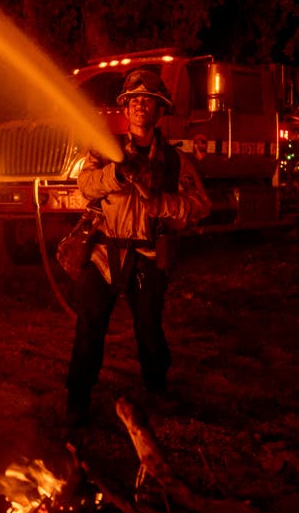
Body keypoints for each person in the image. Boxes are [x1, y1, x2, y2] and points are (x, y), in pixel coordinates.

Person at [66, 68, 211, 425]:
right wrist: (115, 175)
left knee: (149, 329)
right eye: (133, 101)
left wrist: (160, 204)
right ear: (125, 109)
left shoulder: (175, 162)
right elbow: (86, 185)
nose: (139, 106)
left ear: (160, 110)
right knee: (90, 327)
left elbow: (201, 205)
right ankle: (77, 399)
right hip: (103, 253)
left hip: (146, 254)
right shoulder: (105, 152)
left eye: (147, 100)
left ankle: (157, 391)